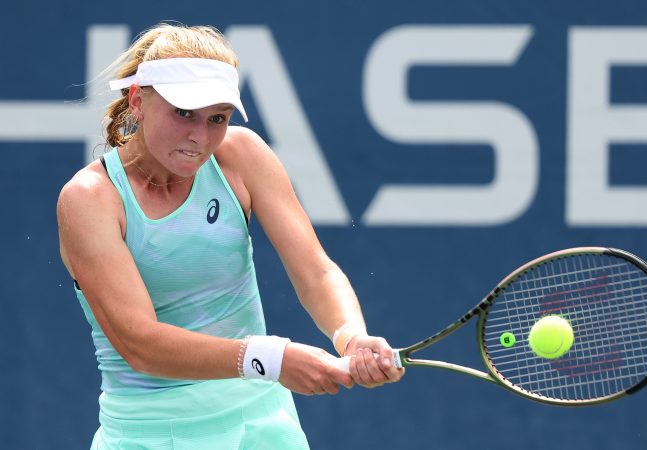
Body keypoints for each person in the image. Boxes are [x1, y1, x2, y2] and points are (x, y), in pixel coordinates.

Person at [56, 22, 403, 449]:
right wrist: (270, 358)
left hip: (263, 427)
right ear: (137, 101)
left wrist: (351, 336)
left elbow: (316, 271)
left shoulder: (241, 155)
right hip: (148, 434)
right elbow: (140, 343)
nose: (199, 137)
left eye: (216, 118)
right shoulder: (90, 199)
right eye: (183, 113)